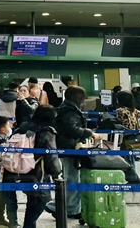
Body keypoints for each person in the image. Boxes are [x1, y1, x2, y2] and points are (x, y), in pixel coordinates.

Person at [45, 86, 102, 219]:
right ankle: (57, 206)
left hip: (67, 147)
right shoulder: (70, 111)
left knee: (72, 178)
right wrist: (89, 133)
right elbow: (72, 129)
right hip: (69, 147)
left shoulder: (66, 109)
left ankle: (71, 208)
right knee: (72, 179)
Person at [3, 105, 62, 228]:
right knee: (40, 201)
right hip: (37, 173)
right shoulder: (47, 132)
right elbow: (51, 157)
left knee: (32, 203)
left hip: (19, 170)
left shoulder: (22, 127)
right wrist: (57, 172)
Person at [115, 91, 140, 182]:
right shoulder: (134, 110)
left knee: (126, 159)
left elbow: (118, 122)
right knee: (130, 157)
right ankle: (133, 178)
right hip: (133, 136)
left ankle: (134, 179)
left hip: (124, 137)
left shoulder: (120, 110)